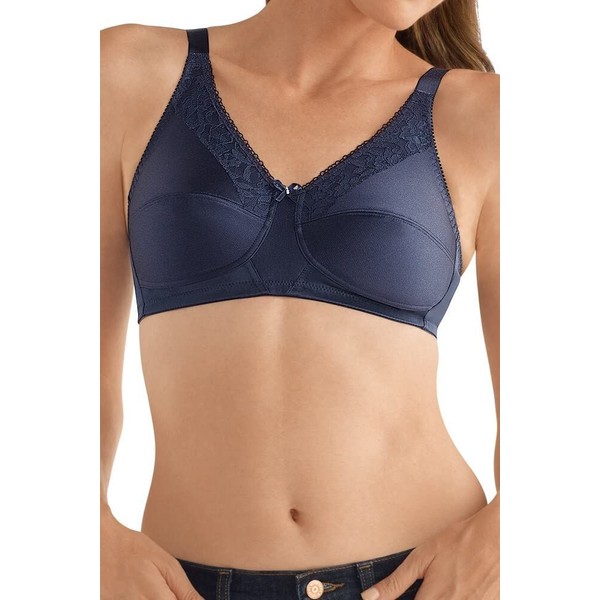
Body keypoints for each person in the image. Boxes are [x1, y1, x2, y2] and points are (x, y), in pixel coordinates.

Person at [100, 0, 499, 598]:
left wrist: (507, 534)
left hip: (416, 577)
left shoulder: (487, 116)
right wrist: (87, 529)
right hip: (179, 585)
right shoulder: (129, 72)